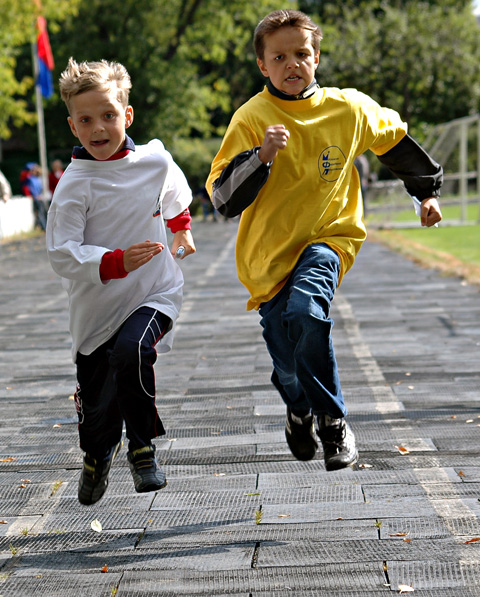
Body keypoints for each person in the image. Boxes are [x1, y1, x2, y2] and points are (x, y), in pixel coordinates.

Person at [206, 10, 442, 472]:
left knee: (306, 312)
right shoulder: (251, 118)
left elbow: (395, 143)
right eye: (280, 57)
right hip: (268, 258)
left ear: (316, 57)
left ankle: (333, 422)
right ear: (263, 66)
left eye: (301, 54)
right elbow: (222, 197)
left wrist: (426, 194)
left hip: (330, 238)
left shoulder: (348, 108)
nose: (292, 64)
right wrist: (262, 156)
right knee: (288, 361)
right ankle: (298, 409)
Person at [46, 58, 196, 506]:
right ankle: (97, 454)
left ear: (126, 116)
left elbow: (172, 187)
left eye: (108, 115)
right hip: (96, 311)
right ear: (73, 126)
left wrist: (181, 225)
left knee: (135, 351)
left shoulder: (153, 159)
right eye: (86, 120)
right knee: (98, 413)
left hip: (155, 291)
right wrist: (115, 261)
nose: (98, 128)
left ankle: (143, 449)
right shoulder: (74, 185)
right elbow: (61, 252)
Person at [20, 162, 47, 230]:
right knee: (39, 213)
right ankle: (43, 227)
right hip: (36, 198)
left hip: (40, 197)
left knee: (43, 212)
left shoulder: (38, 178)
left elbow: (40, 188)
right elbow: (31, 188)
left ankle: (44, 226)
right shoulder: (29, 178)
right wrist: (36, 196)